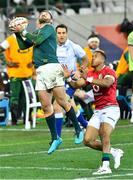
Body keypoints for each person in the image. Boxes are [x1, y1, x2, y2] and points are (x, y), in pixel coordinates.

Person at [9, 10, 84, 154]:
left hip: (52, 67)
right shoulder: (37, 32)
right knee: (45, 106)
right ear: (38, 19)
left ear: (50, 20)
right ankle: (55, 138)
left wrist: (23, 31)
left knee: (62, 101)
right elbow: (24, 46)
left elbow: (35, 41)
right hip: (41, 70)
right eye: (42, 13)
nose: (44, 14)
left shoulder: (49, 28)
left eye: (47, 14)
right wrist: (18, 33)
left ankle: (78, 128)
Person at [62, 49, 124, 175]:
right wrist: (68, 77)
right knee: (88, 140)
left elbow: (107, 83)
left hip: (111, 108)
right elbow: (76, 85)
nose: (92, 58)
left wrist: (88, 79)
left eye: (95, 56)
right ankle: (114, 152)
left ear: (102, 59)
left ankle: (106, 166)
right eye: (92, 56)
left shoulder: (109, 71)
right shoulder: (91, 73)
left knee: (104, 132)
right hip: (99, 110)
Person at [54, 23, 88, 137]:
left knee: (58, 105)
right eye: (59, 33)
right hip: (57, 80)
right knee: (70, 105)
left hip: (71, 82)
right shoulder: (52, 47)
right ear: (56, 34)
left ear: (67, 34)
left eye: (63, 33)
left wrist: (79, 71)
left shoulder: (74, 46)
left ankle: (57, 137)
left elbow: (85, 59)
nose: (61, 35)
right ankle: (86, 126)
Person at [0, 33, 34, 125]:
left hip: (28, 74)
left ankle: (27, 119)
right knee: (15, 98)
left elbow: (38, 50)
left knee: (27, 98)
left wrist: (34, 61)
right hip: (15, 74)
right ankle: (14, 120)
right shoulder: (11, 39)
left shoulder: (29, 38)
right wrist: (7, 62)